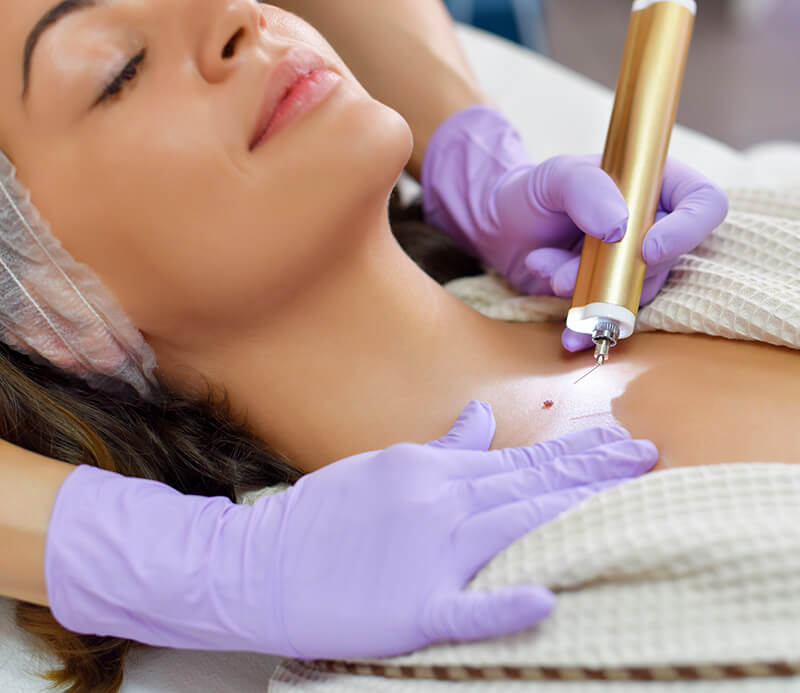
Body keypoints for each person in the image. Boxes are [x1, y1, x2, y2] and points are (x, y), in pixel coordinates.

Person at [0, 0, 736, 690]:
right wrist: (209, 564)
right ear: (43, 306)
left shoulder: (702, 248)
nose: (235, 14)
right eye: (119, 70)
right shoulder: (458, 652)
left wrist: (467, 142)